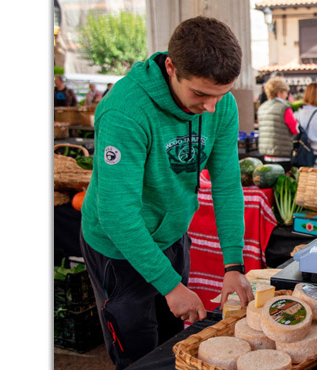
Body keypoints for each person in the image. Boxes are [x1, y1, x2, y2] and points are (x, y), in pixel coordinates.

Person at [78, 17, 254, 369]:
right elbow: (117, 213)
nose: (211, 107)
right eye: (201, 94)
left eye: (221, 94)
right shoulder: (125, 111)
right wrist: (170, 286)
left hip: (172, 235)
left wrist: (233, 264)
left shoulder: (221, 105)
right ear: (171, 67)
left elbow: (225, 185)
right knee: (138, 352)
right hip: (117, 249)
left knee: (173, 343)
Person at [257, 77, 298, 171]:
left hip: (266, 155)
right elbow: (295, 129)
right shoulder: (284, 108)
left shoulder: (262, 107)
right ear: (279, 92)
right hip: (282, 155)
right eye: (285, 92)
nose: (286, 95)